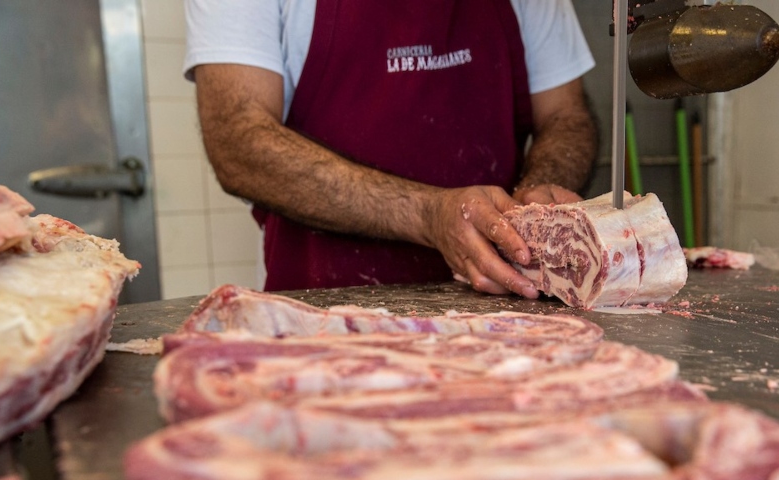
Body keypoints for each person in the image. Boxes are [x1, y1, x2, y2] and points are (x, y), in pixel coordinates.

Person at [183, 0, 598, 297]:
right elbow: (237, 138)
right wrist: (429, 214)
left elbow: (566, 115)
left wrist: (540, 197)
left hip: (507, 313)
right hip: (326, 319)